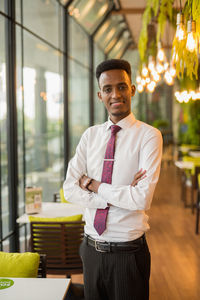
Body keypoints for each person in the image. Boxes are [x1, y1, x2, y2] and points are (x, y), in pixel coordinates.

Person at [63, 59, 162, 300]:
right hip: (90, 250)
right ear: (100, 95)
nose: (115, 94)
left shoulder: (149, 136)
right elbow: (69, 189)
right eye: (108, 89)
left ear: (132, 90)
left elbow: (141, 198)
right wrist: (116, 195)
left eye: (121, 86)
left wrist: (93, 185)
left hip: (127, 253)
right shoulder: (90, 136)